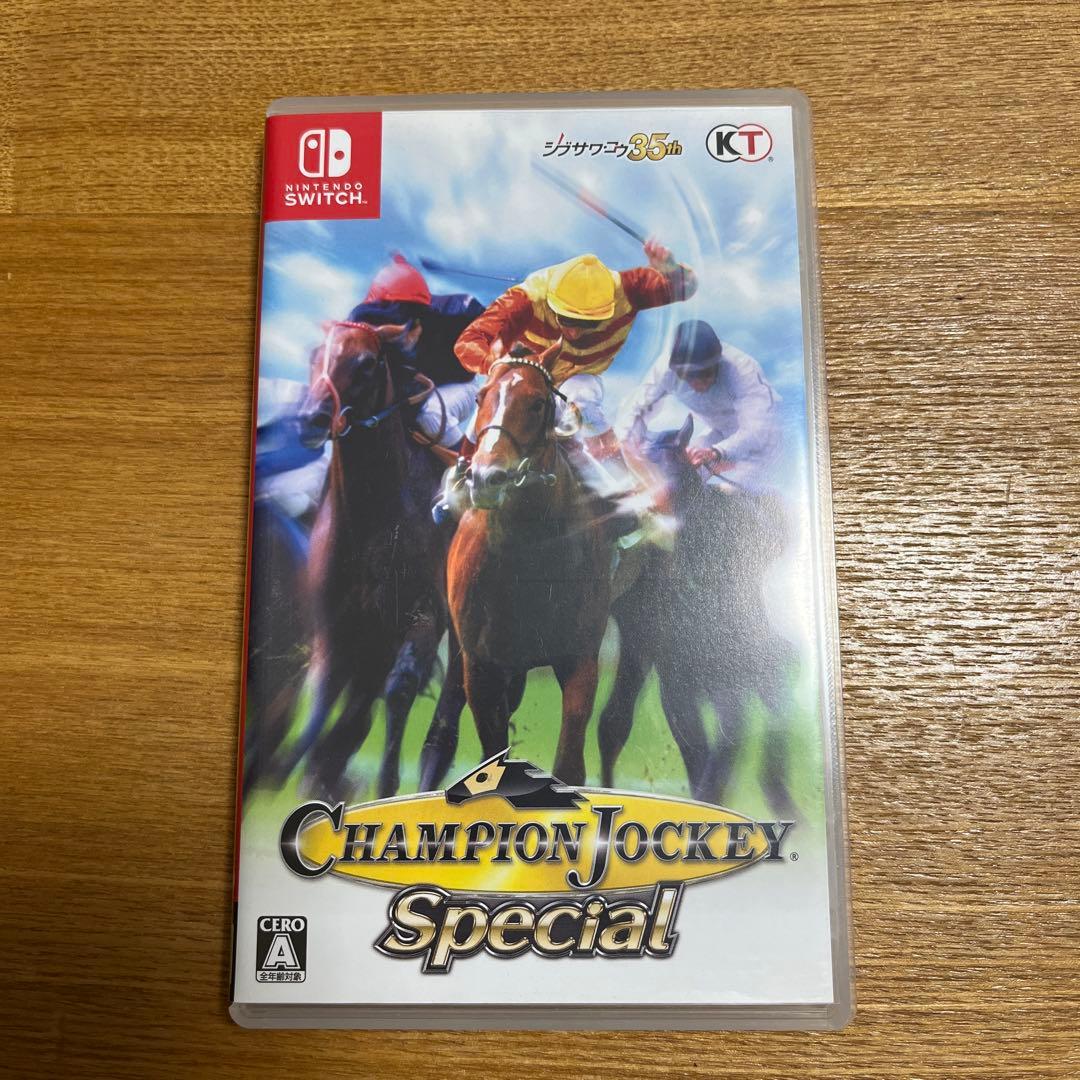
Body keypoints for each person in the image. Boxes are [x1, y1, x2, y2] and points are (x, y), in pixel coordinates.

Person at [453, 241, 697, 489]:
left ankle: (622, 481)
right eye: (565, 319)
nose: (573, 332)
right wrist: (494, 365)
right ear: (551, 301)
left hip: (579, 377)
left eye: (589, 323)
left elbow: (686, 287)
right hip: (527, 379)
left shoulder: (628, 289)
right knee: (496, 405)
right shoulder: (525, 298)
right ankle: (460, 477)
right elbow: (468, 341)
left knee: (582, 396)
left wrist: (671, 269)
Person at [621, 319, 782, 493]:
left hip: (762, 445)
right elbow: (635, 410)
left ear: (717, 363)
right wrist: (628, 442)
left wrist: (717, 452)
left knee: (733, 493)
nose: (697, 384)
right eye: (687, 376)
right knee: (682, 480)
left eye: (704, 374)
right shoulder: (665, 370)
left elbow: (756, 430)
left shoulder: (742, 370)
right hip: (719, 434)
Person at [346, 254, 485, 451]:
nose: (394, 335)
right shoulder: (366, 326)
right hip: (412, 392)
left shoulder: (457, 311)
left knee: (430, 415)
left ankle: (470, 462)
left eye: (401, 323)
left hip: (459, 386)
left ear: (420, 317)